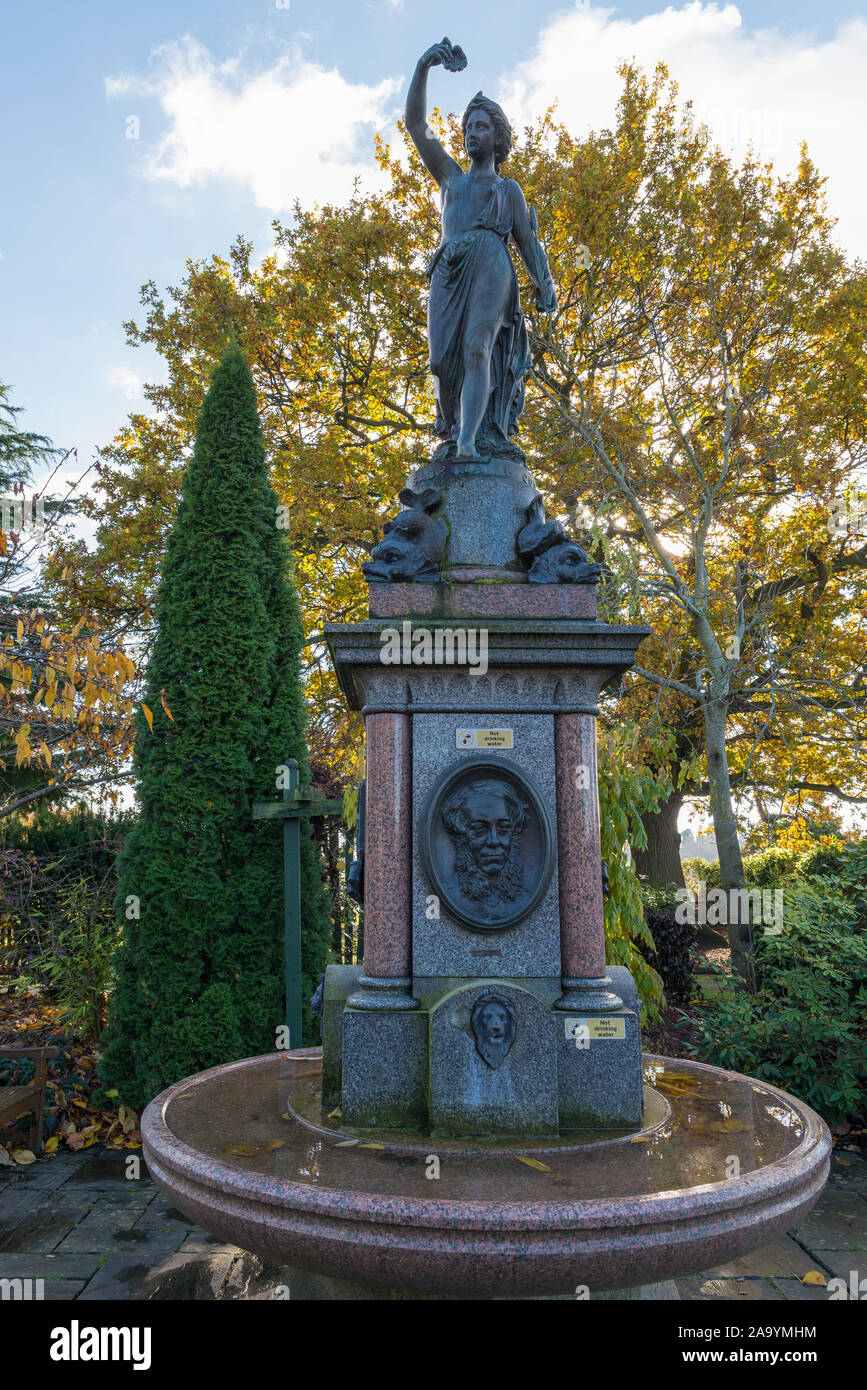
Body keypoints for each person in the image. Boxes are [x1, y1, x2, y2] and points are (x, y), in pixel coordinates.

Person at [405, 38, 557, 461]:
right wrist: (424, 63)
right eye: (469, 127)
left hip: (492, 263)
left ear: (498, 137)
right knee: (440, 362)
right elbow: (416, 124)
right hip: (449, 268)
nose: (473, 132)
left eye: (482, 127)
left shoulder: (508, 191)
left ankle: (468, 441)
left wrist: (544, 285)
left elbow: (528, 243)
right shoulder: (451, 178)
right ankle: (456, 430)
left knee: (477, 349)